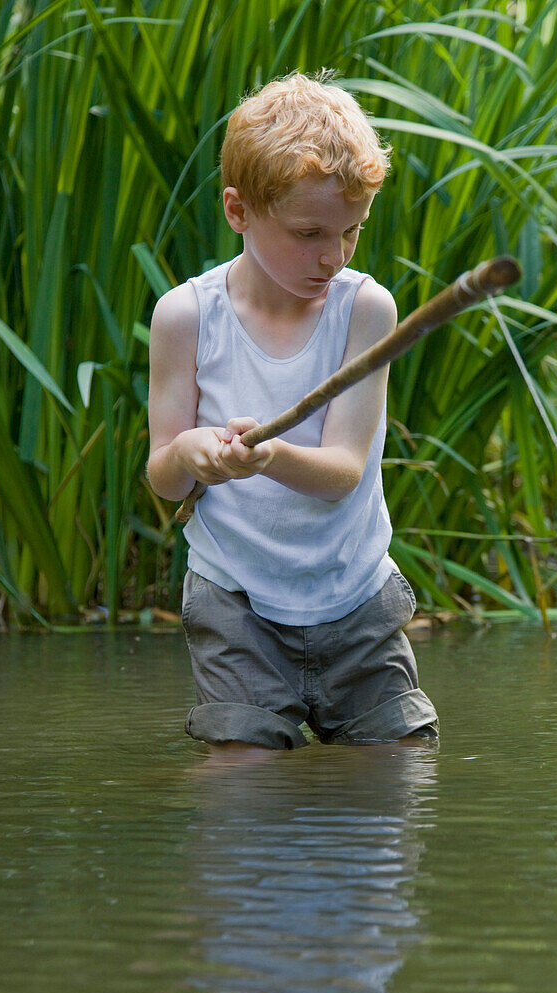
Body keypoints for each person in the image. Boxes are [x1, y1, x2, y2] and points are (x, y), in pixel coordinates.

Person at [147, 72, 439, 753]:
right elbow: (164, 477)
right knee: (241, 782)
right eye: (308, 233)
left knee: (398, 773)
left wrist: (268, 456)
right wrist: (192, 453)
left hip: (356, 600)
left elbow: (341, 472)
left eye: (351, 232)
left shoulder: (364, 310)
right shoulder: (187, 315)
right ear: (238, 210)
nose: (332, 257)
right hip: (236, 601)